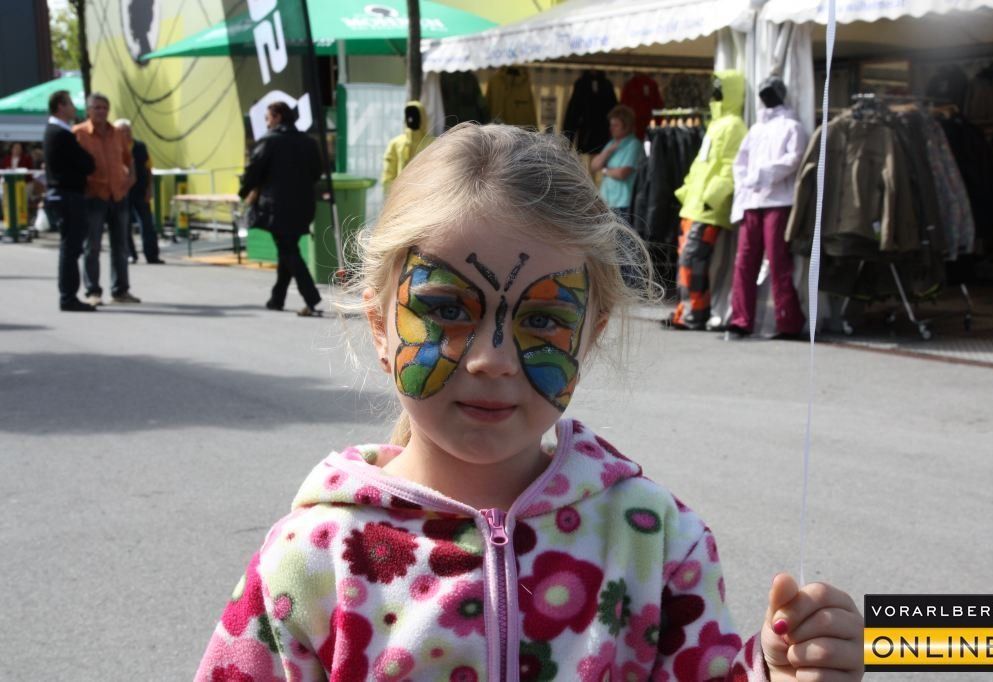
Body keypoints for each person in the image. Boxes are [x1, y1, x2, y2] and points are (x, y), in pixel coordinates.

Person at [196, 124, 863, 681]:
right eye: (446, 309)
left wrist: (777, 670)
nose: (493, 359)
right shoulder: (311, 559)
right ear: (379, 325)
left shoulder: (654, 541)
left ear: (590, 333)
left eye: (543, 320)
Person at [726, 78, 808, 342]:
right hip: (752, 201)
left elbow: (794, 159)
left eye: (769, 93)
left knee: (778, 260)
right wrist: (746, 182)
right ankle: (741, 319)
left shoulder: (792, 126)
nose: (765, 98)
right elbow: (740, 162)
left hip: (778, 200)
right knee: (744, 261)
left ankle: (788, 321)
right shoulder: (756, 129)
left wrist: (761, 175)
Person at [667, 71, 748, 331]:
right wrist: (686, 191)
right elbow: (701, 165)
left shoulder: (734, 126)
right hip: (695, 205)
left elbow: (731, 166)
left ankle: (695, 312)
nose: (714, 92)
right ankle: (686, 311)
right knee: (686, 261)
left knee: (693, 260)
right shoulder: (716, 124)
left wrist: (712, 198)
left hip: (707, 207)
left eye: (719, 88)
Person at [239, 101, 323, 316]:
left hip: (276, 206)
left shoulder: (270, 141)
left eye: (268, 118)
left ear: (277, 117)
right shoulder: (308, 142)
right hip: (303, 205)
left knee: (288, 250)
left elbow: (253, 170)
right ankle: (277, 298)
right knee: (287, 247)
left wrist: (243, 192)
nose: (267, 123)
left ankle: (311, 298)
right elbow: (317, 172)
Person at [73, 93, 140, 306]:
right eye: (97, 108)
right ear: (88, 110)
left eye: (104, 108)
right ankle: (93, 291)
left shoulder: (117, 133)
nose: (101, 111)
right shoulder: (79, 133)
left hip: (118, 194)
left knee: (120, 246)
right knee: (92, 246)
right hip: (94, 196)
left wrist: (131, 178)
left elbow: (128, 159)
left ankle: (120, 290)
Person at [43, 89, 96, 312]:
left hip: (65, 195)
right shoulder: (61, 134)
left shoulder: (56, 132)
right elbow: (86, 163)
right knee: (71, 248)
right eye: (70, 104)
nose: (74, 108)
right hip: (68, 196)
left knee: (70, 247)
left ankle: (68, 295)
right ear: (60, 106)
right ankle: (68, 296)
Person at [113, 119, 164, 264]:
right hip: (123, 191)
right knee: (124, 224)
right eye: (122, 131)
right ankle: (130, 254)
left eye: (128, 130)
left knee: (147, 224)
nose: (126, 134)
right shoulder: (114, 147)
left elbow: (148, 169)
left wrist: (149, 189)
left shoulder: (140, 146)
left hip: (140, 190)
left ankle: (152, 255)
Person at [590, 104, 642, 226]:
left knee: (622, 235)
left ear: (626, 126)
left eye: (616, 125)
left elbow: (622, 173)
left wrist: (605, 170)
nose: (611, 128)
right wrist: (607, 152)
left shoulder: (634, 144)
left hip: (623, 202)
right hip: (607, 200)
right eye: (611, 125)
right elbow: (594, 166)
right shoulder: (612, 143)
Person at [380, 101, 434, 195]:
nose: (411, 118)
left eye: (415, 114)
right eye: (408, 114)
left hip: (426, 196)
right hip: (401, 196)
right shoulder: (395, 143)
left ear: (422, 118)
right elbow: (388, 174)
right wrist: (391, 196)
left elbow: (437, 171)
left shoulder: (432, 143)